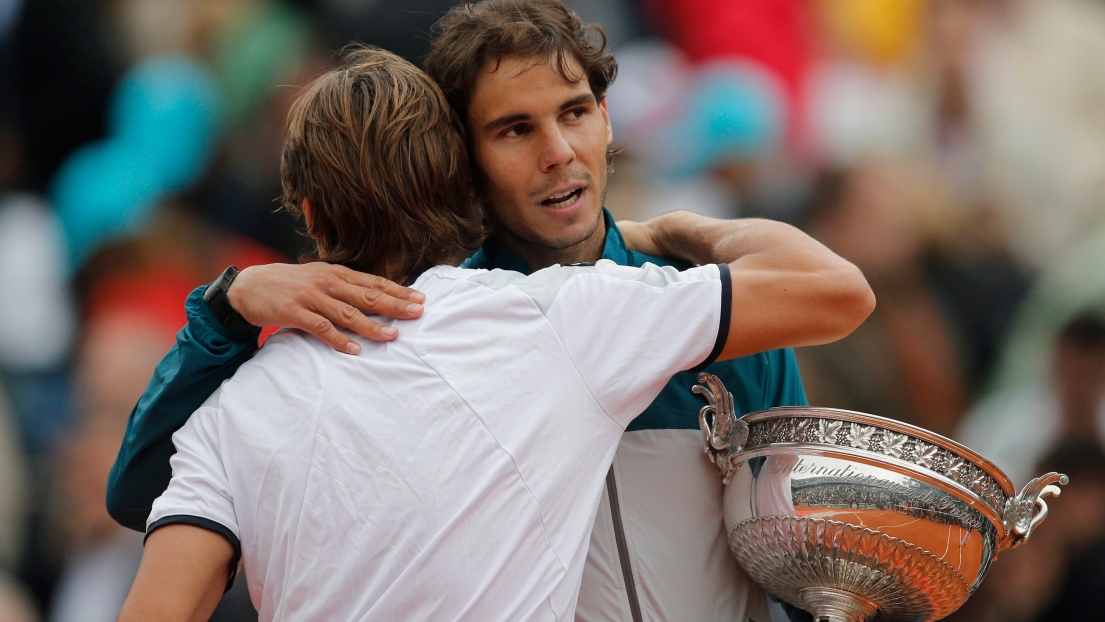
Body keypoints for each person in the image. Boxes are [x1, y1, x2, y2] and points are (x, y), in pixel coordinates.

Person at [108, 1, 847, 620]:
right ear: (462, 162)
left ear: (608, 120)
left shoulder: (718, 309)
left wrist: (679, 233)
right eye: (515, 129)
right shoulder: (484, 325)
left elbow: (796, 554)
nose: (558, 150)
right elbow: (150, 493)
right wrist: (225, 309)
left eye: (576, 112)